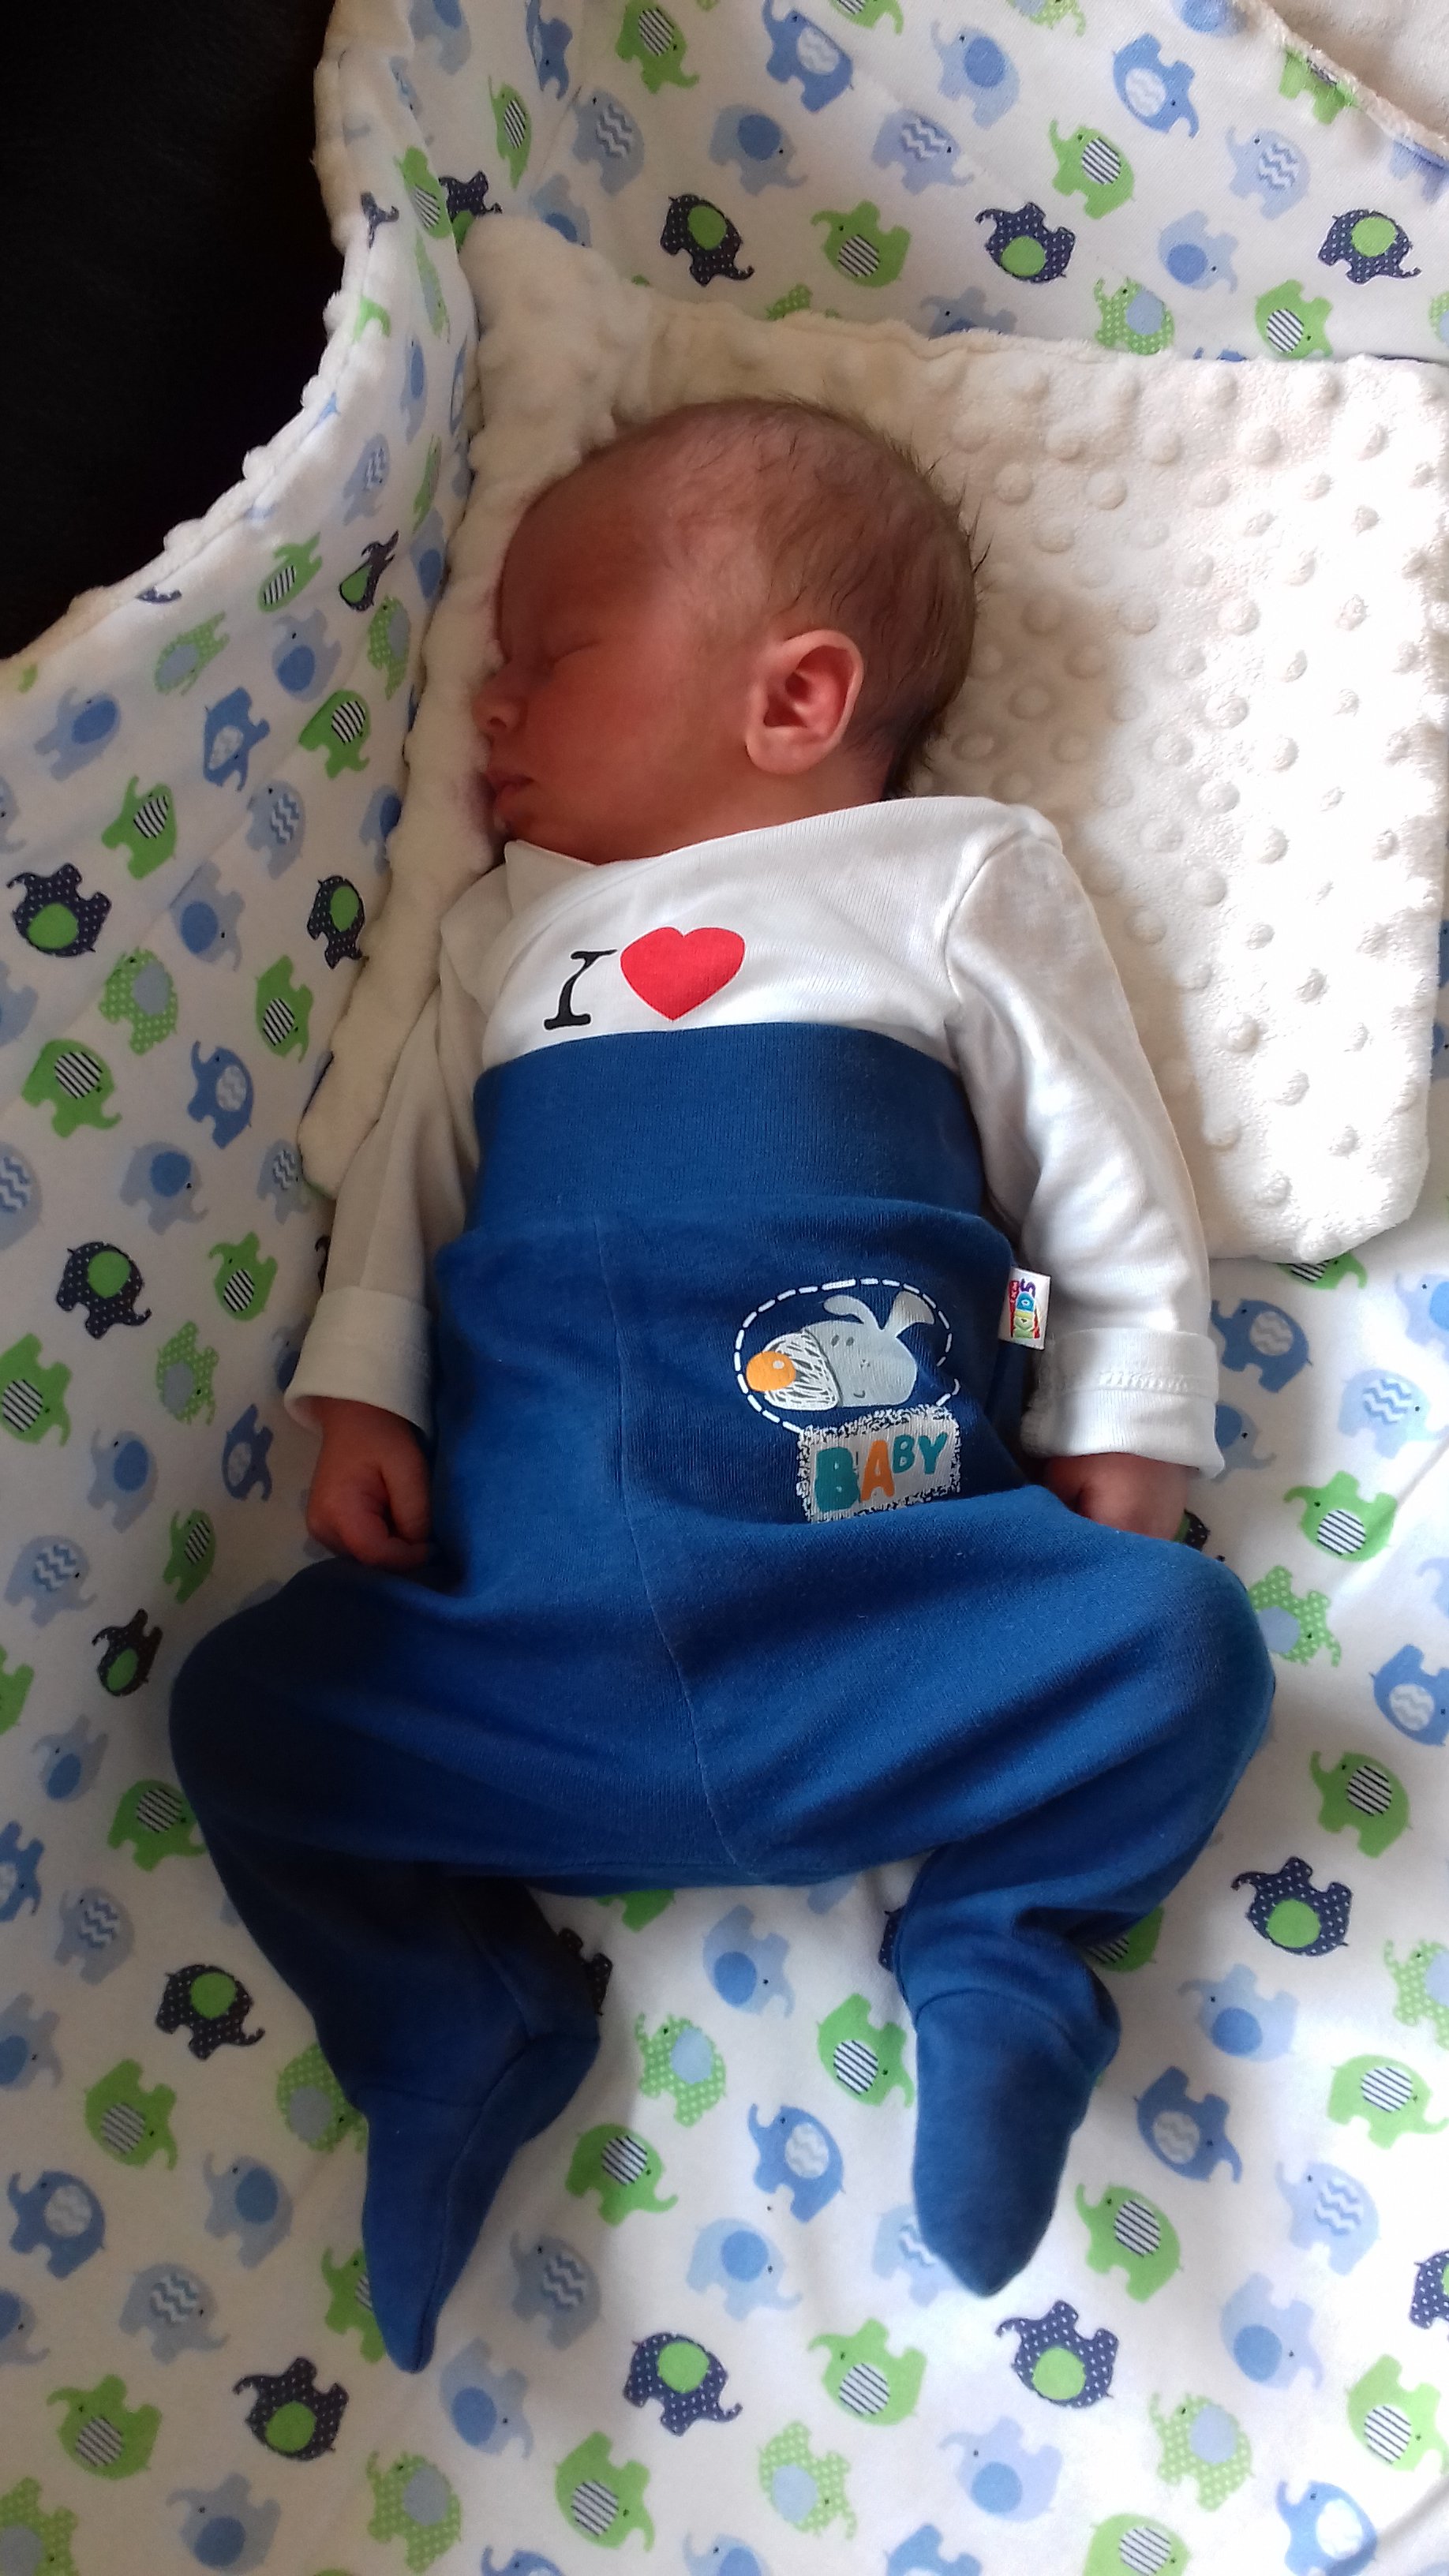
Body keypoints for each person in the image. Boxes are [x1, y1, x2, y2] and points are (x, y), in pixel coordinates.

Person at [170, 397, 1272, 2372]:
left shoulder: (943, 874)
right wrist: (366, 1394)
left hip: (884, 1601)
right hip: (538, 1641)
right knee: (247, 1712)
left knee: (1184, 1646)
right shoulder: (509, 930)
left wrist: (1120, 1416)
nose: (490, 702)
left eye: (549, 655)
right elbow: (413, 1182)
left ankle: (998, 1949)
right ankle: (450, 2025)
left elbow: (1092, 1169)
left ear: (797, 697)